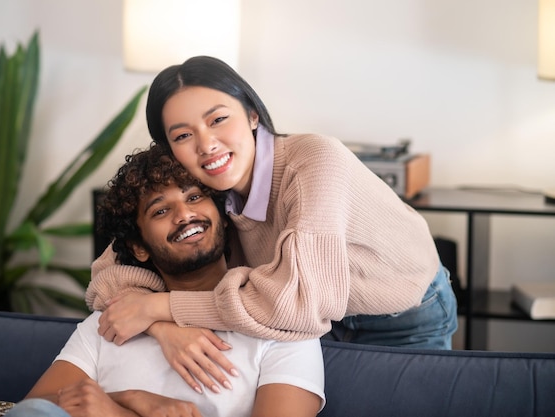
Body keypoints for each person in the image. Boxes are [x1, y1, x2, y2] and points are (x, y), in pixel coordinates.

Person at [86, 55, 458, 392]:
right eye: (183, 135)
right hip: (311, 320)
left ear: (252, 115)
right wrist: (161, 329)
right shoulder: (203, 185)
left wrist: (161, 308)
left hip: (400, 314)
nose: (206, 144)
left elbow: (297, 304)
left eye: (218, 119)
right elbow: (108, 275)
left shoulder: (313, 162)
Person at [6, 144, 325, 417]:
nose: (184, 215)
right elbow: (31, 410)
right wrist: (135, 400)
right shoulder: (112, 323)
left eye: (195, 197)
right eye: (160, 211)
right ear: (139, 248)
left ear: (223, 218)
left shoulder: (283, 325)